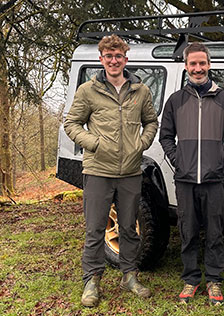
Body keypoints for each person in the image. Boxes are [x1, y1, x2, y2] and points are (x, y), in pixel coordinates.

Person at [64, 34, 158, 307]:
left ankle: (129, 276)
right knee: (95, 229)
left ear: (125, 59)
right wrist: (94, 144)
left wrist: (141, 143)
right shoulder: (88, 91)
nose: (114, 60)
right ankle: (92, 280)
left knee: (129, 228)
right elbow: (72, 124)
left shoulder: (141, 91)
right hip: (98, 171)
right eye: (109, 56)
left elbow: (151, 122)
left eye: (118, 56)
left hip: (130, 172)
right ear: (101, 59)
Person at [159, 42, 224, 306]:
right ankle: (191, 279)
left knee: (215, 233)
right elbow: (165, 137)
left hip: (214, 179)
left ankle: (214, 281)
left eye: (202, 63)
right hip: (185, 180)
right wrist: (178, 160)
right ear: (186, 66)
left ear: (209, 65)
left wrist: (222, 157)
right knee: (188, 231)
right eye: (193, 64)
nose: (198, 68)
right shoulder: (176, 100)